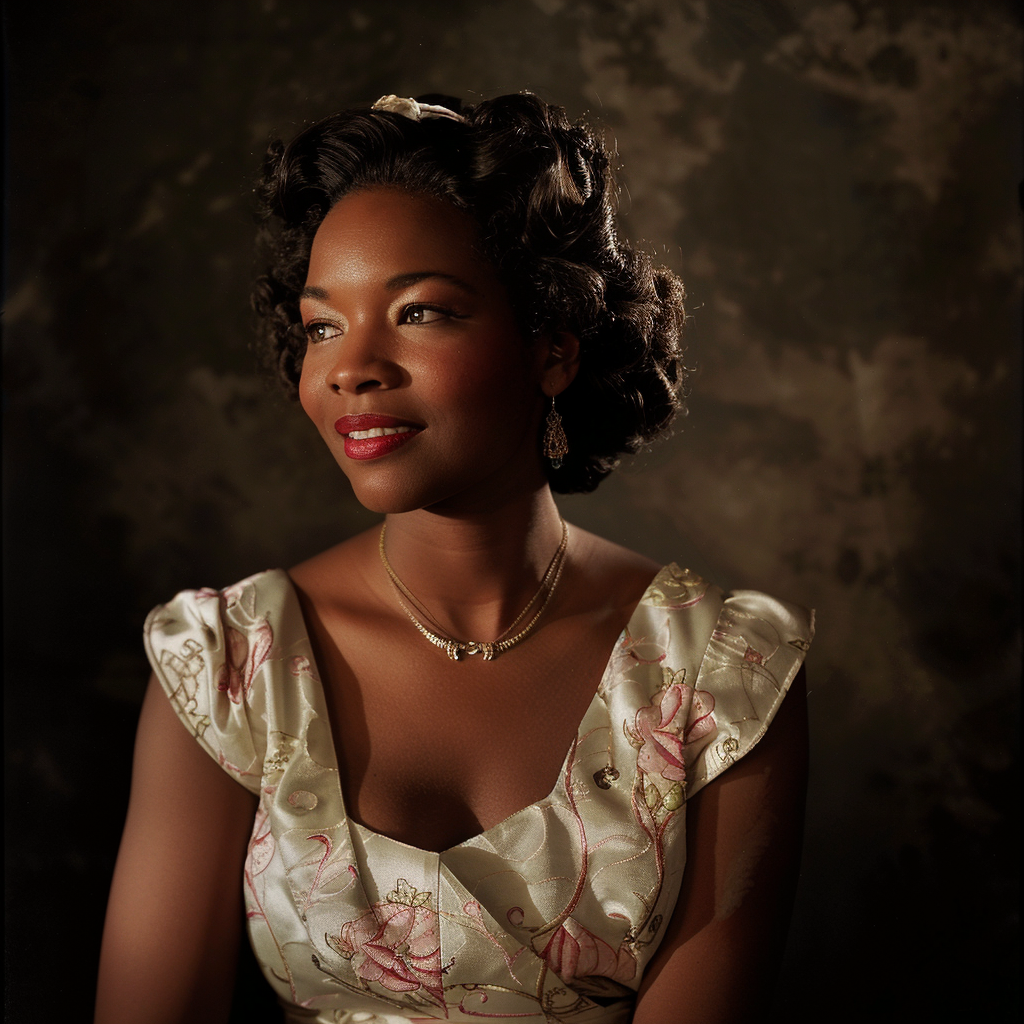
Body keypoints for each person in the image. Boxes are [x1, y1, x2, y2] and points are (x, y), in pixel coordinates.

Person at [95, 92, 814, 1024]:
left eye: (420, 311)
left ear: (552, 347)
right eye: (323, 325)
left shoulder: (723, 672)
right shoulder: (231, 662)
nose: (353, 366)